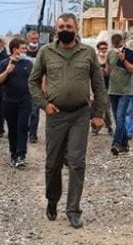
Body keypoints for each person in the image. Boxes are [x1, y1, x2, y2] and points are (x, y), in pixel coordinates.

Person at [29, 13, 107, 229]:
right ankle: (52, 199)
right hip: (56, 115)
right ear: (56, 29)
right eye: (61, 26)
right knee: (52, 163)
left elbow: (99, 86)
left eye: (69, 26)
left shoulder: (88, 53)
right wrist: (44, 104)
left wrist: (99, 114)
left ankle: (73, 209)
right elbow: (33, 82)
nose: (65, 29)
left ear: (76, 29)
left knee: (76, 162)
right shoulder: (46, 52)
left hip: (80, 115)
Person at [0, 38, 33, 168]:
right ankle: (13, 154)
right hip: (9, 101)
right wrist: (7, 72)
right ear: (14, 49)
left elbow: (35, 79)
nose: (24, 51)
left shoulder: (28, 63)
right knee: (13, 129)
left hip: (25, 101)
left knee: (23, 127)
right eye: (22, 48)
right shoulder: (4, 63)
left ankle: (21, 155)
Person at [106, 33, 133, 156]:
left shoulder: (130, 54)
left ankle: (116, 143)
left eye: (118, 45)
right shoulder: (110, 53)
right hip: (113, 90)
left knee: (120, 117)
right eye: (115, 45)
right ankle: (125, 144)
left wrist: (123, 60)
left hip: (125, 91)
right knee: (117, 118)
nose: (117, 47)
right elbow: (108, 71)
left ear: (123, 42)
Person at [25, 29, 42, 144]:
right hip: (23, 86)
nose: (34, 41)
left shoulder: (42, 51)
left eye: (36, 39)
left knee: (35, 111)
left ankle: (33, 134)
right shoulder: (23, 51)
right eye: (32, 39)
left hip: (37, 86)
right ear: (28, 39)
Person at [93, 41, 114, 136]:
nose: (104, 50)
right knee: (94, 107)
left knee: (106, 108)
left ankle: (109, 125)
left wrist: (105, 71)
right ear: (98, 49)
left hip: (107, 86)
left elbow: (110, 72)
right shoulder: (95, 59)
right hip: (95, 87)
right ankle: (95, 128)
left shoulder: (108, 59)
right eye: (102, 48)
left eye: (105, 48)